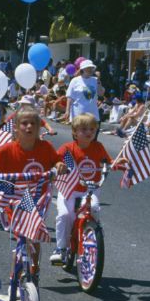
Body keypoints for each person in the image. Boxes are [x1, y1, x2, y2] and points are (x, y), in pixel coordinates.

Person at [0, 104, 64, 269]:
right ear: (16, 128)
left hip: (38, 199)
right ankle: (15, 278)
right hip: (14, 199)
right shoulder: (7, 150)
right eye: (24, 123)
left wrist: (60, 165)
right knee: (22, 236)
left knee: (34, 236)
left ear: (39, 127)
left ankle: (34, 269)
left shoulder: (45, 148)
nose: (29, 126)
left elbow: (57, 160)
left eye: (33, 123)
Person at [50, 114, 112, 265]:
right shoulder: (68, 148)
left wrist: (117, 163)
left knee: (95, 208)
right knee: (65, 216)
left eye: (92, 129)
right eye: (84, 129)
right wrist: (58, 165)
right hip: (69, 189)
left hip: (90, 189)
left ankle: (94, 231)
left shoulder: (98, 147)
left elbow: (108, 161)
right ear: (74, 132)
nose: (89, 132)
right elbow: (55, 160)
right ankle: (61, 248)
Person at [66, 59, 102, 124]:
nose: (90, 70)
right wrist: (67, 111)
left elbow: (100, 93)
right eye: (88, 68)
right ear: (83, 69)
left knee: (92, 133)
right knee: (78, 133)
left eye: (91, 68)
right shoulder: (75, 81)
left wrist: (99, 81)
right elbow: (70, 97)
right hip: (78, 114)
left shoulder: (95, 80)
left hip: (92, 114)